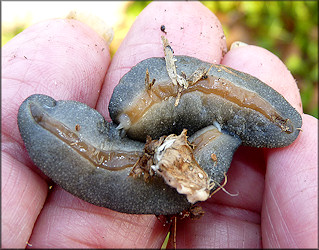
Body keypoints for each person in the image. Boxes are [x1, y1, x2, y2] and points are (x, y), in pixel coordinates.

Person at [2, 2, 317, 248]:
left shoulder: (213, 142)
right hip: (167, 151)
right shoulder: (135, 111)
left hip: (189, 158)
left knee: (135, 114)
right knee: (127, 117)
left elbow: (279, 124)